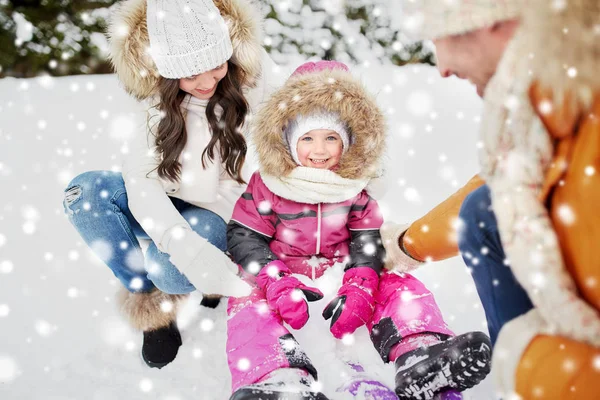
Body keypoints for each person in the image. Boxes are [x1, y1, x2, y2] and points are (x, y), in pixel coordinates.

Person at [224, 60, 492, 400]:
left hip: (341, 272)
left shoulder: (353, 188)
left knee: (397, 280)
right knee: (245, 298)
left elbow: (366, 242)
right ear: (288, 139)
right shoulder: (268, 185)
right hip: (285, 276)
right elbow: (244, 236)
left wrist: (361, 287)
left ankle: (420, 352)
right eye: (307, 138)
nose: (319, 150)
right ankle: (275, 377)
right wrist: (276, 282)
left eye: (331, 138)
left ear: (347, 142)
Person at [381, 1, 600, 398]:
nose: (442, 66)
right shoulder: (562, 98)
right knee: (483, 210)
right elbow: (503, 189)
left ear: (494, 20)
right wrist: (404, 244)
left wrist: (526, 359)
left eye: (439, 38)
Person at [63, 0, 284, 369]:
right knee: (84, 194)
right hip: (166, 197)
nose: (207, 82)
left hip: (223, 209)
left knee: (168, 269)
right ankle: (150, 302)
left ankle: (193, 273)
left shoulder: (256, 77)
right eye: (190, 73)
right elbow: (140, 179)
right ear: (167, 72)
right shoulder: (156, 99)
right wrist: (180, 242)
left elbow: (299, 126)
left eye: (216, 65)